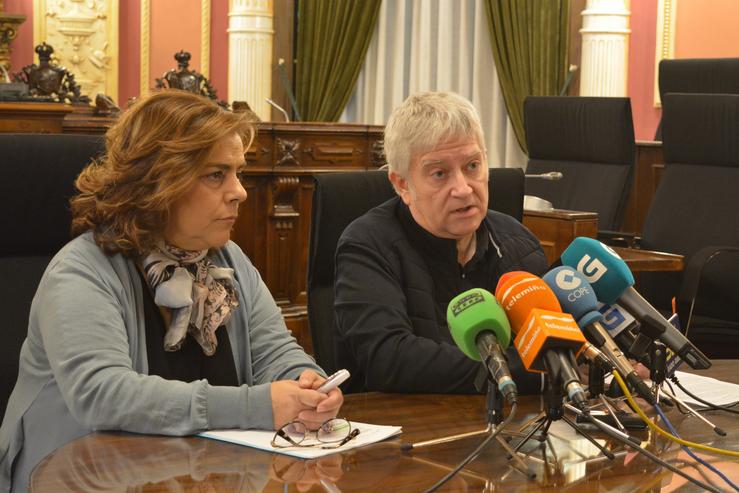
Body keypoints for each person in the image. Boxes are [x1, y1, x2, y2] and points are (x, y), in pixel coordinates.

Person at [0, 90, 343, 493]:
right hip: (79, 476)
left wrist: (307, 387)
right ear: (159, 182)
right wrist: (259, 406)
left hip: (196, 473)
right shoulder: (80, 270)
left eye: (238, 172)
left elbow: (274, 351)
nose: (240, 192)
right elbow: (103, 394)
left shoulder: (228, 259)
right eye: (217, 175)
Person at [334, 91, 548, 394]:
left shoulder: (519, 244)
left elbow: (550, 343)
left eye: (472, 166)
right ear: (402, 184)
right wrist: (522, 371)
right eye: (439, 173)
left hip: (511, 429)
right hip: (403, 430)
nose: (462, 188)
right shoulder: (368, 245)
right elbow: (390, 360)